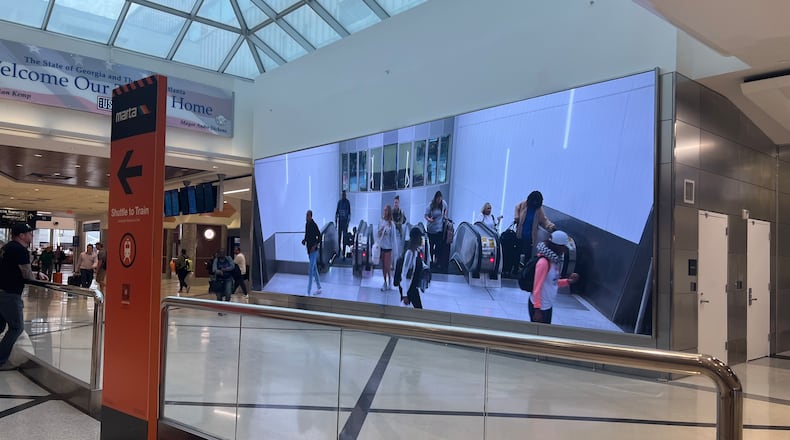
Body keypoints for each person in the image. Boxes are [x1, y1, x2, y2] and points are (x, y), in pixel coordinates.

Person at [0, 223, 46, 370]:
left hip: (2, 291)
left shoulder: (7, 247)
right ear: (22, 235)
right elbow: (26, 274)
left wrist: (36, 273)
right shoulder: (20, 250)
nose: (32, 236)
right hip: (10, 294)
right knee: (16, 328)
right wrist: (37, 279)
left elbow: (13, 268)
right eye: (30, 233)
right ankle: (0, 360)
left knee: (0, 325)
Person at [529, 230, 580, 324]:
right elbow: (537, 287)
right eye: (564, 248)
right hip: (540, 308)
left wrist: (568, 281)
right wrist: (537, 309)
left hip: (547, 306)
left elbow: (553, 282)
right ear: (557, 247)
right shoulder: (544, 263)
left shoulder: (554, 262)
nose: (565, 250)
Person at [515, 190, 555, 261]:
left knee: (527, 255)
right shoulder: (524, 204)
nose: (535, 203)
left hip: (530, 237)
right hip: (520, 234)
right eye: (534, 200)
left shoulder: (538, 210)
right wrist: (517, 217)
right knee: (517, 253)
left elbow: (544, 220)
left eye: (537, 201)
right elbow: (517, 208)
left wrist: (551, 226)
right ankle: (515, 268)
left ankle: (524, 270)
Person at [399, 227, 424, 309]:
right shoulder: (409, 253)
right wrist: (405, 295)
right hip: (409, 288)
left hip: (413, 286)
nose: (421, 239)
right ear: (416, 238)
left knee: (418, 310)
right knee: (418, 310)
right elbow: (403, 274)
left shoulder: (416, 251)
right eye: (420, 237)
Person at [424, 190, 448, 267]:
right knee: (431, 246)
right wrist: (429, 219)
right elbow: (425, 215)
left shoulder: (443, 203)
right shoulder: (430, 205)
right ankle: (430, 261)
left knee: (438, 246)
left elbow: (445, 209)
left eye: (440, 199)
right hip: (431, 229)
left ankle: (437, 261)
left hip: (439, 229)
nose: (439, 201)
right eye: (438, 199)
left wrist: (444, 215)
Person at [302, 210, 322, 295]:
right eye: (306, 216)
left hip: (314, 251)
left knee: (310, 270)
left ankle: (308, 292)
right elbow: (307, 235)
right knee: (314, 269)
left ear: (311, 216)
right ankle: (319, 287)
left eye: (307, 216)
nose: (306, 217)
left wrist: (315, 246)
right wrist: (304, 240)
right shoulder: (307, 225)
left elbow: (319, 237)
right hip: (309, 251)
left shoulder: (314, 225)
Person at [377, 205, 396, 291]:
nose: (384, 212)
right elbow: (378, 233)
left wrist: (394, 249)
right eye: (384, 210)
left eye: (386, 211)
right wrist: (381, 231)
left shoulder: (391, 224)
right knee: (383, 266)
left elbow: (393, 237)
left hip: (388, 247)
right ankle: (385, 281)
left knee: (387, 266)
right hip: (382, 246)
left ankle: (390, 280)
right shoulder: (381, 221)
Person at [335, 190, 351, 260]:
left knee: (344, 238)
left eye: (344, 195)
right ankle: (339, 251)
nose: (343, 196)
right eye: (343, 195)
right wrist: (336, 222)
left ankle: (344, 253)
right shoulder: (339, 202)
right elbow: (336, 212)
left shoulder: (347, 202)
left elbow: (349, 213)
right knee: (339, 237)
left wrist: (348, 222)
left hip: (345, 223)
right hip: (340, 222)